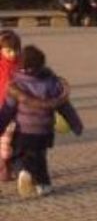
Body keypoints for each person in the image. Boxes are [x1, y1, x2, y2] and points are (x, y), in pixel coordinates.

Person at [0, 44, 83, 197]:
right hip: (43, 130)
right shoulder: (51, 83)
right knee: (39, 156)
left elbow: (7, 110)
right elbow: (65, 107)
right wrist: (76, 124)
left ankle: (24, 172)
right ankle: (43, 185)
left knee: (19, 154)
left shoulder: (16, 84)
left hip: (23, 129)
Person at [0, 29, 22, 181]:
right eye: (8, 51)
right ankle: (5, 167)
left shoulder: (22, 65)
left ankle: (14, 167)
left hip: (19, 110)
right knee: (5, 142)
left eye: (15, 50)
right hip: (3, 110)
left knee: (16, 141)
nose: (12, 54)